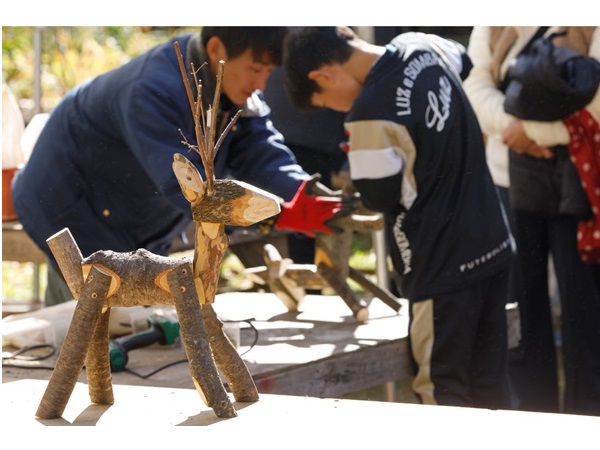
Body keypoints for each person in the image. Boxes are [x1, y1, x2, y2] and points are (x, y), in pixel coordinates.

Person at [11, 27, 344, 307]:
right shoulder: (151, 90)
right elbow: (188, 189)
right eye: (256, 69)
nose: (261, 83)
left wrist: (299, 190)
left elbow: (258, 147)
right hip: (64, 202)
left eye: (268, 72)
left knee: (125, 320)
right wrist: (271, 214)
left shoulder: (226, 79)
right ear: (216, 49)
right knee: (82, 325)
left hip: (125, 211)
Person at [283, 26, 514, 410]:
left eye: (325, 103)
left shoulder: (369, 113)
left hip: (439, 266)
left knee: (442, 389)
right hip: (492, 241)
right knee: (491, 385)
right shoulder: (424, 44)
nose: (336, 110)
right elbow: (465, 60)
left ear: (323, 75)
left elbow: (378, 196)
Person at [463, 26, 600, 416]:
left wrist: (536, 130)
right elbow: (475, 84)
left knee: (585, 314)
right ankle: (531, 422)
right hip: (509, 177)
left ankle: (588, 422)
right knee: (520, 315)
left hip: (583, 178)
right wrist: (515, 131)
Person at [263, 65, 349, 265]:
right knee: (304, 222)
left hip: (314, 138)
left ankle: (319, 277)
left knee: (316, 214)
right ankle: (311, 284)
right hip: (299, 136)